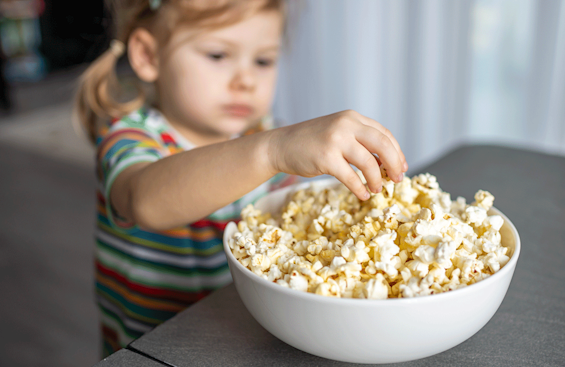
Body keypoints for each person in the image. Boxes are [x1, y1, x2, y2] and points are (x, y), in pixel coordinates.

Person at [75, 0, 408, 357]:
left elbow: (293, 230)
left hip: (238, 337)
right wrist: (270, 151)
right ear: (148, 55)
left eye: (263, 60)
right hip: (149, 349)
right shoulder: (129, 136)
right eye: (218, 55)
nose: (245, 80)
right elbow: (144, 202)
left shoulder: (263, 133)